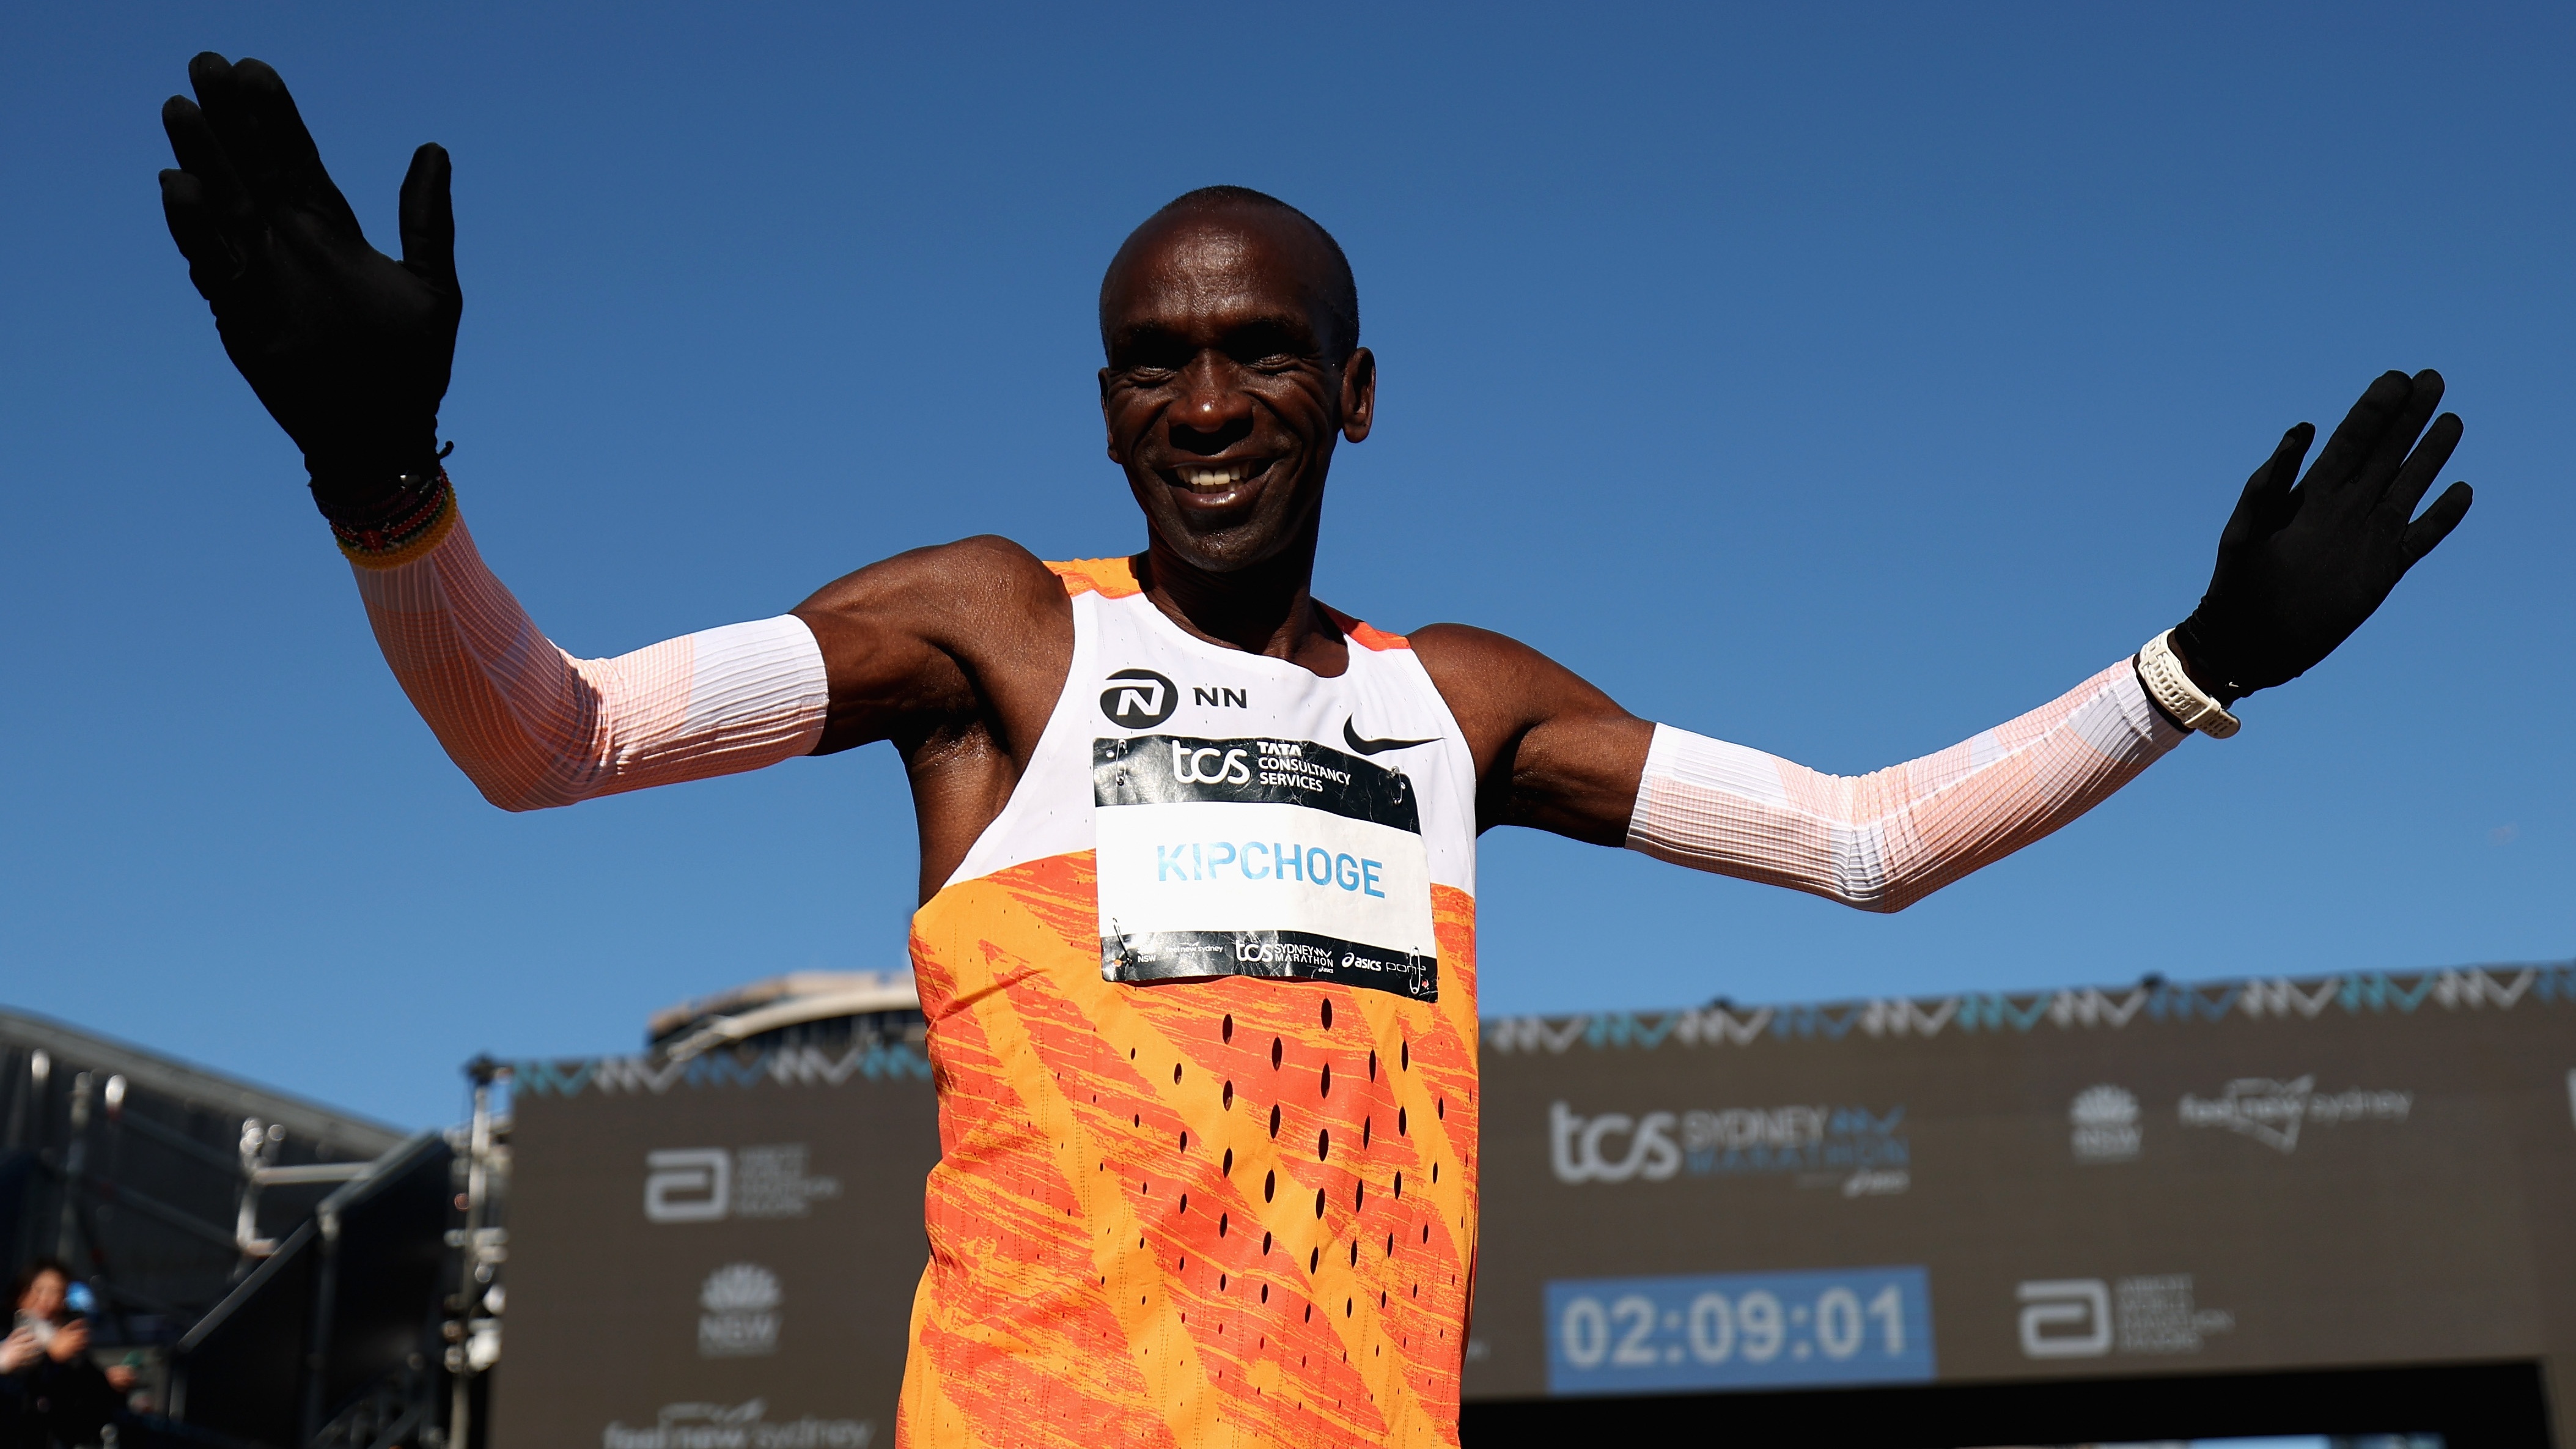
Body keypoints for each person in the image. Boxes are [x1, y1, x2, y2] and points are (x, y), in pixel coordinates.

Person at [153, 53, 2474, 1449]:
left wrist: (2189, 664)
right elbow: (546, 743)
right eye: (1153, 365)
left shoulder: (1454, 702)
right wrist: (387, 479)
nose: (1204, 405)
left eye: (1261, 355)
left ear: (1353, 389)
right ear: (1100, 406)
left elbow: (1863, 842)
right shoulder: (986, 635)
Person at [0, 1259, 131, 1449]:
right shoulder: (8, 1328)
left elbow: (85, 1393)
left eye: (58, 1293)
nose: (47, 1300)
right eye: (40, 1290)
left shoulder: (64, 1336)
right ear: (22, 1292)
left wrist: (108, 1382)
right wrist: (51, 1356)